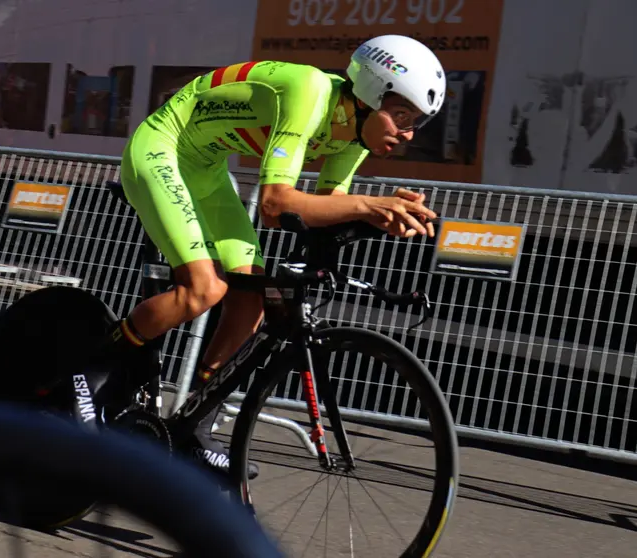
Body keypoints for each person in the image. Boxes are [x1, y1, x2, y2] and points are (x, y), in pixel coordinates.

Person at [87, 34, 446, 479]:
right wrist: (367, 205)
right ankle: (89, 374)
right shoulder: (310, 93)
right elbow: (276, 205)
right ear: (372, 94)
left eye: (418, 122)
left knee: (250, 299)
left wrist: (377, 217)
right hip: (162, 147)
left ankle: (193, 424)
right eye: (402, 115)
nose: (408, 133)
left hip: (207, 169)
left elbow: (325, 208)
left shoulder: (354, 138)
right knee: (203, 289)